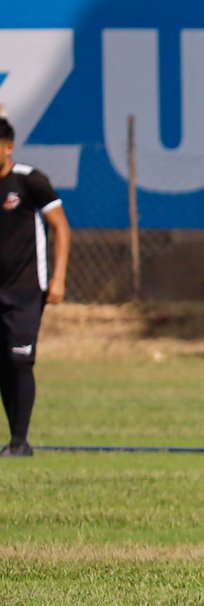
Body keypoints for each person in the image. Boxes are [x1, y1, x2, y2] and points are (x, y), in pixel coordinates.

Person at [0, 116, 70, 457]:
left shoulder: (30, 182)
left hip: (27, 289)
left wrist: (57, 279)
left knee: (19, 360)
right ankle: (15, 442)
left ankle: (19, 441)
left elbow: (61, 227)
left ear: (9, 146)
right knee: (3, 362)